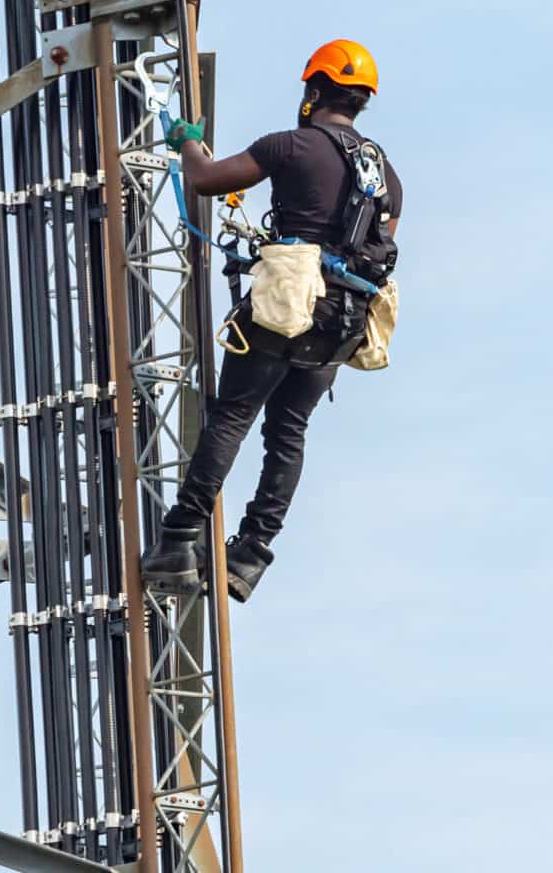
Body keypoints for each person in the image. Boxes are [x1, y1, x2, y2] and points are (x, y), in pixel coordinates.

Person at [138, 38, 404, 603]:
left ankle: (179, 539)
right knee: (288, 431)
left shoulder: (291, 146)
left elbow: (206, 181)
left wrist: (187, 144)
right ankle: (251, 555)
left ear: (313, 92)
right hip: (342, 322)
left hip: (287, 307)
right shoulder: (387, 176)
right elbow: (379, 245)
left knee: (232, 415)